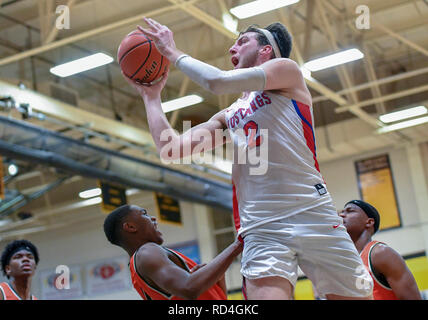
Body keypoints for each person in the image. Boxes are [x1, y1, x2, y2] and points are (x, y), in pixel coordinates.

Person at [123, 17, 373, 300]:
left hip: (310, 210)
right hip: (262, 225)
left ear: (267, 50)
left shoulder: (286, 72)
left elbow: (216, 82)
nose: (233, 47)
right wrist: (151, 97)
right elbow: (171, 149)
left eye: (242, 41)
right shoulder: (229, 115)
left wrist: (172, 52)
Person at [103, 204, 242, 300]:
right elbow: (189, 288)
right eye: (144, 214)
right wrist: (238, 244)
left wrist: (217, 278)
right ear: (130, 227)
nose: (153, 218)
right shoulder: (147, 252)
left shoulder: (139, 266)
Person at [339, 200, 422, 300]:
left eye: (350, 211)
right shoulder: (346, 262)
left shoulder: (380, 253)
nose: (341, 215)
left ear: (369, 222)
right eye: (342, 212)